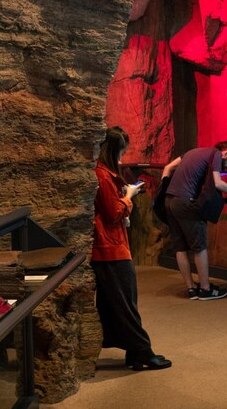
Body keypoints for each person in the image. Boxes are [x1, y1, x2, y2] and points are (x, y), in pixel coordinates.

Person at [91, 127, 171, 371]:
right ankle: (141, 350)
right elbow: (113, 212)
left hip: (112, 244)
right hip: (109, 247)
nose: (122, 158)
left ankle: (135, 352)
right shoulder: (103, 175)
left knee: (120, 301)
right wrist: (128, 197)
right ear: (112, 150)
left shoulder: (105, 174)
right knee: (125, 301)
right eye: (121, 152)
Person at [162, 141, 227, 300]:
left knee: (180, 247)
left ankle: (191, 288)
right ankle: (206, 289)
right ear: (225, 153)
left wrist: (164, 191)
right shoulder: (215, 154)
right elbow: (218, 183)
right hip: (185, 203)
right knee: (199, 246)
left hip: (169, 200)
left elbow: (168, 168)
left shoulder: (192, 151)